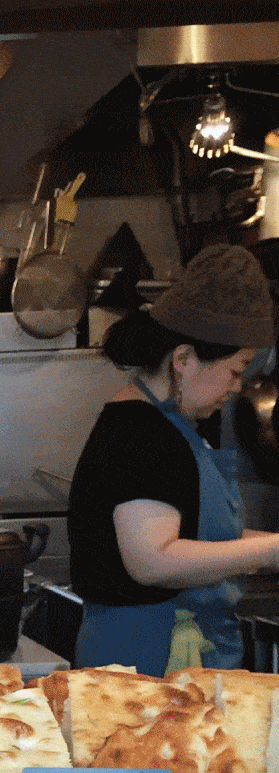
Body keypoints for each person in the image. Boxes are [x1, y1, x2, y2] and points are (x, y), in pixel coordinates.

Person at [68, 242, 279, 678]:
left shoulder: (171, 425)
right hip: (145, 662)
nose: (236, 388)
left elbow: (201, 532)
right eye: (235, 371)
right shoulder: (141, 432)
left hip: (176, 656)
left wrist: (269, 545)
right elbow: (152, 561)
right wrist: (270, 550)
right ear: (183, 359)